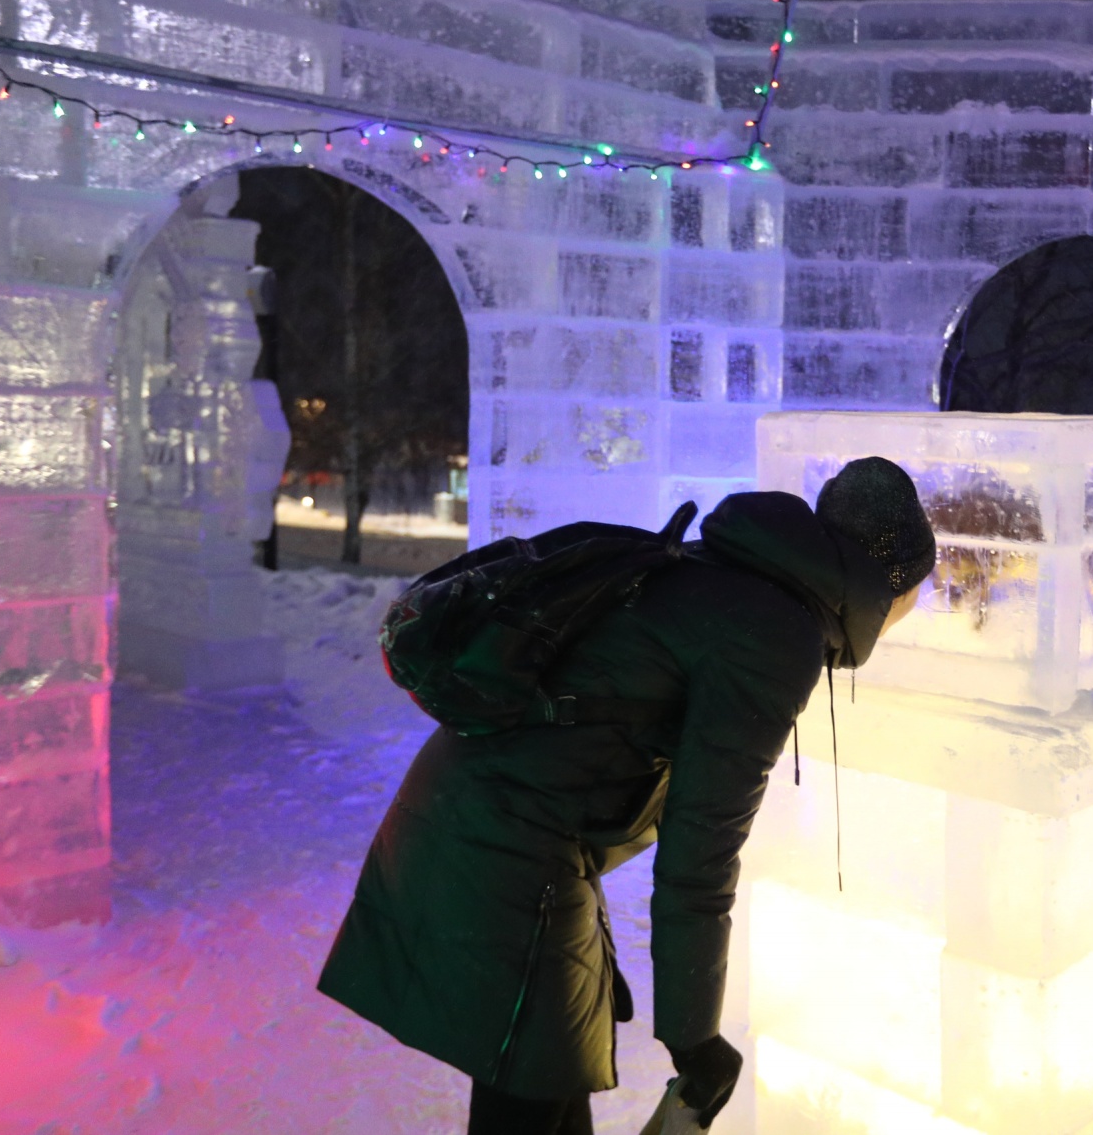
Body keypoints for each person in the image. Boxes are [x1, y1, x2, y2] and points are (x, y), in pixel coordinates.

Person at [318, 458, 938, 1134]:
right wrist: (695, 1037)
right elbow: (701, 853)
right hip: (505, 846)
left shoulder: (726, 575)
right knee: (530, 1091)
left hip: (484, 819)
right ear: (892, 583)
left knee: (550, 1079)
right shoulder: (773, 634)